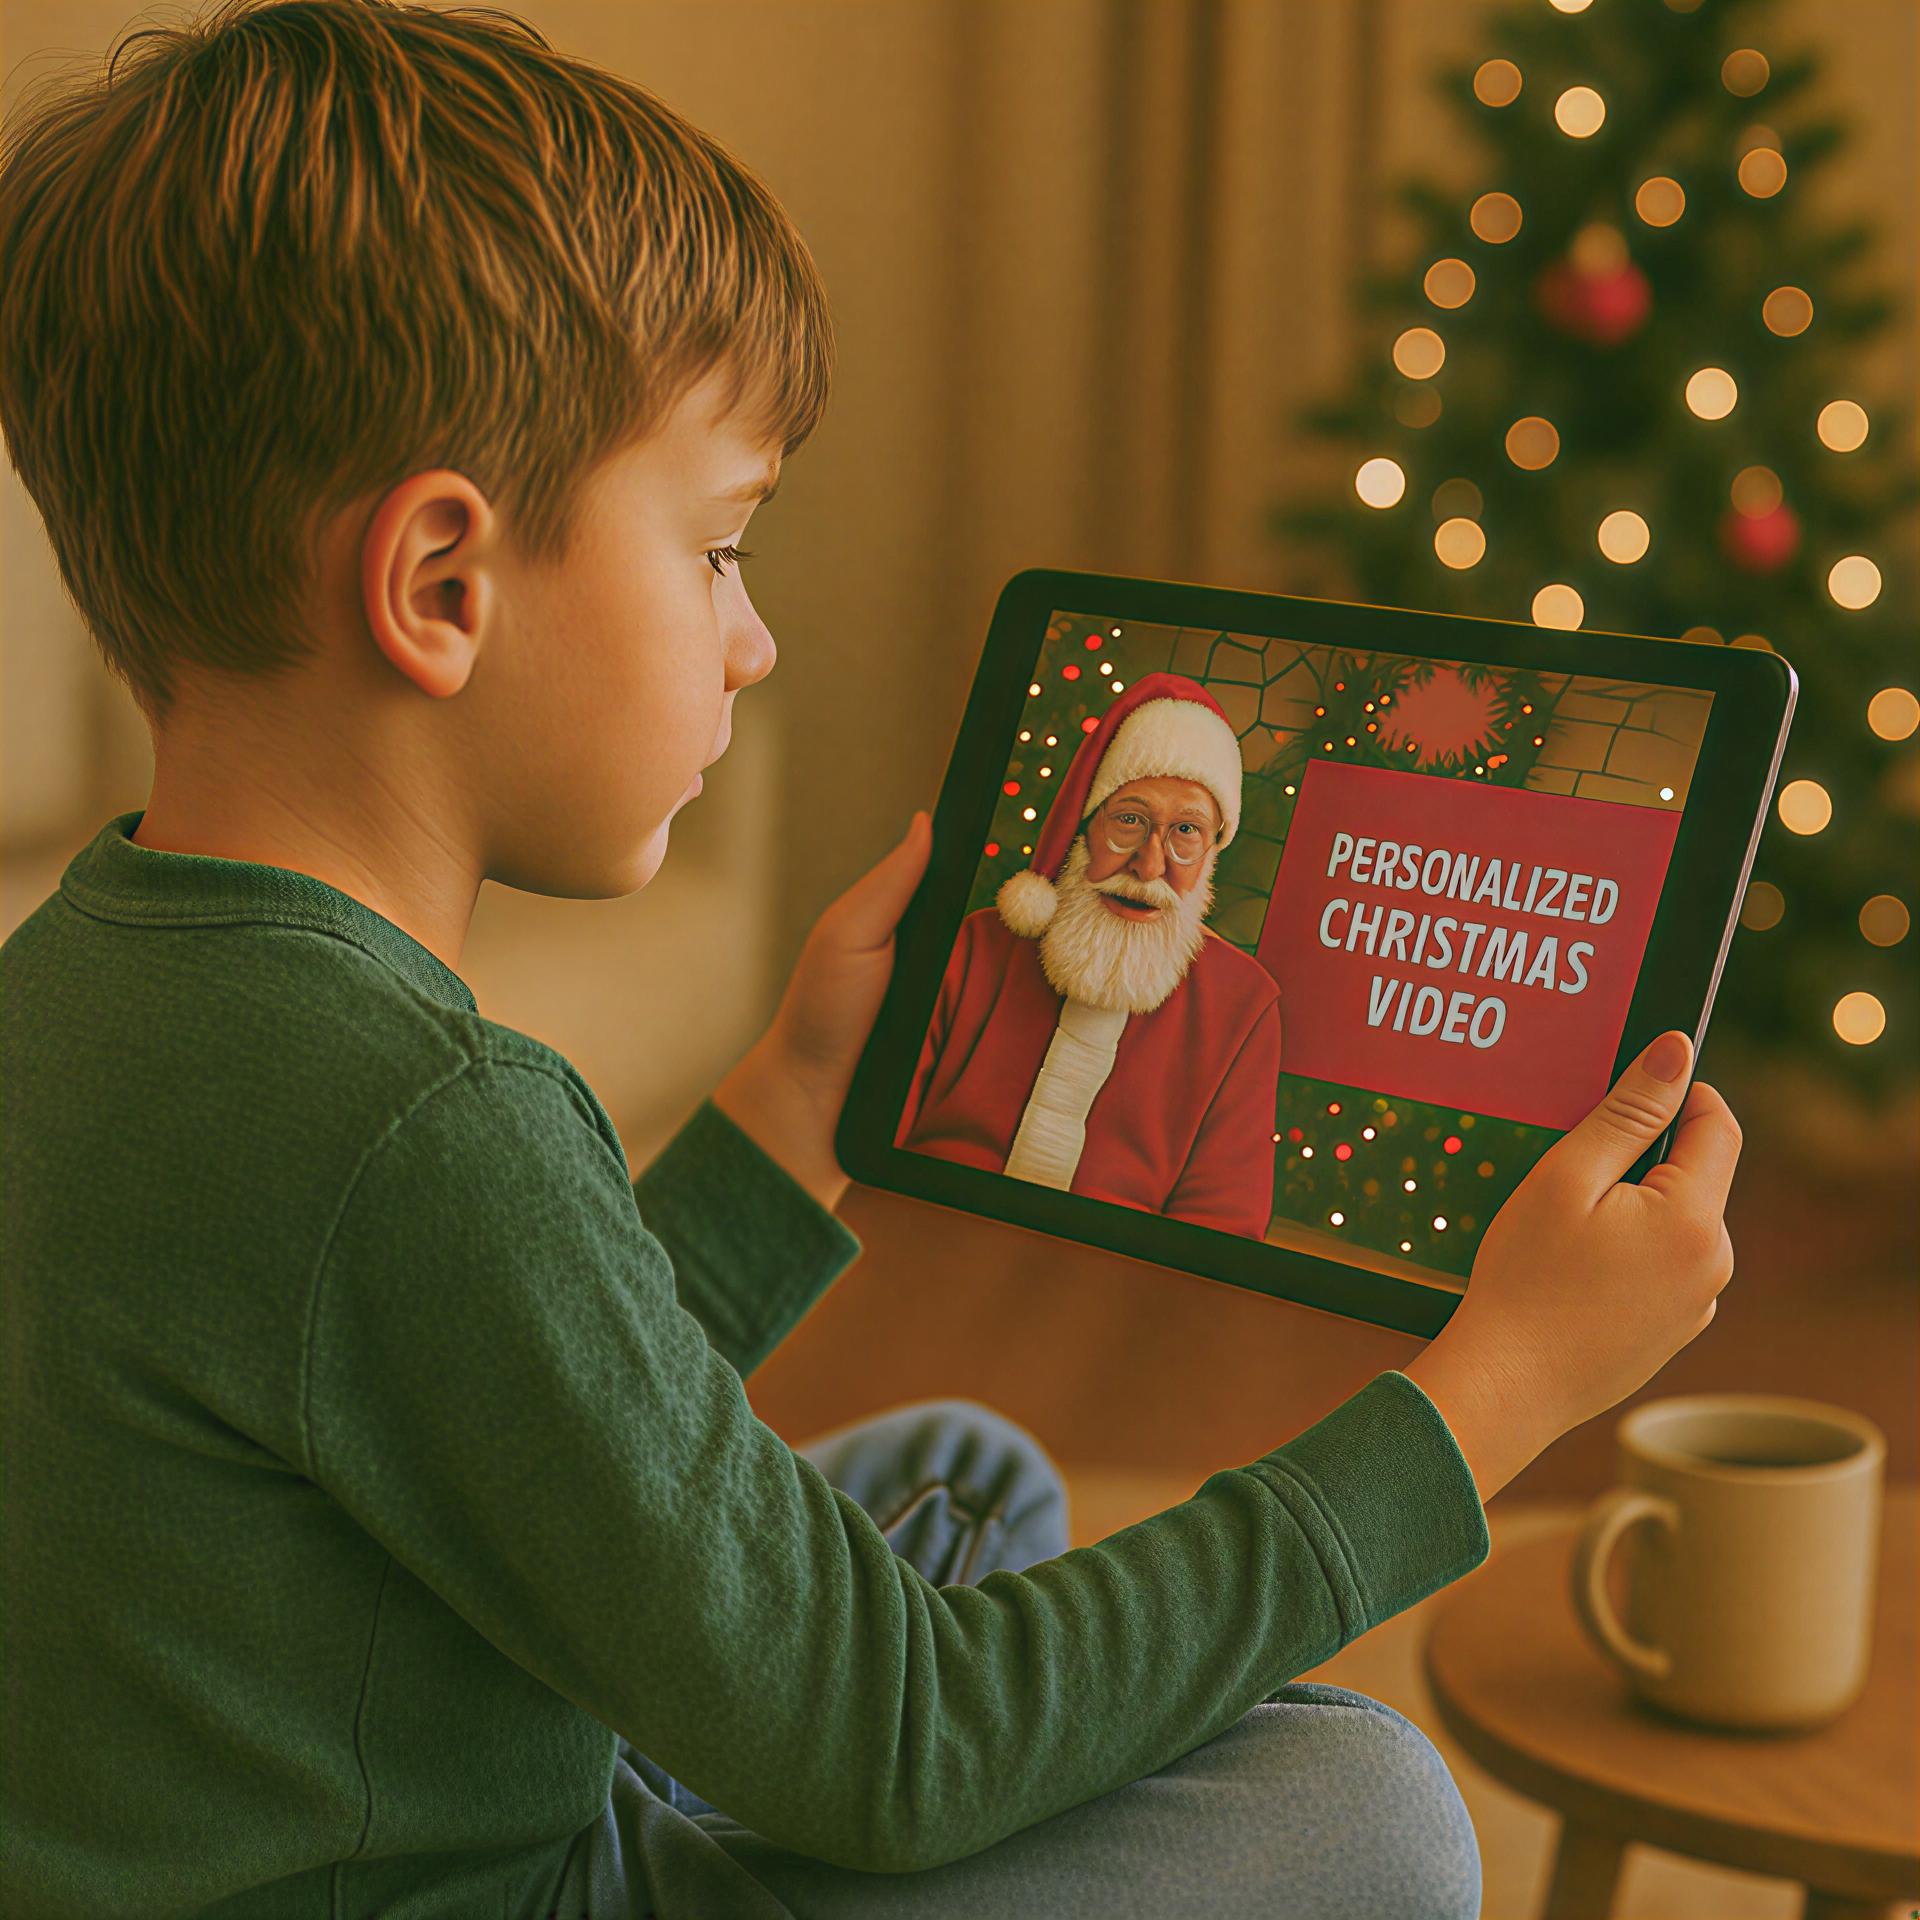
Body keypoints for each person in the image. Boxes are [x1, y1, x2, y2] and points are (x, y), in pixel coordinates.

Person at [0, 4, 1743, 1916]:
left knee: (966, 1475)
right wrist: (1494, 1389)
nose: (751, 644)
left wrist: (791, 1111)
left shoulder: (86, 971)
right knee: (1364, 1811)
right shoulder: (432, 1118)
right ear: (442, 588)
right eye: (720, 548)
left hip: (319, 1788)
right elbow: (894, 1744)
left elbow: (468, 1391)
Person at [896, 673, 1284, 1238]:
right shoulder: (977, 947)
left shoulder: (1242, 1007)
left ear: (1212, 854)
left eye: (1186, 832)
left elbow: (1219, 1237)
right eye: (1129, 820)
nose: (1151, 866)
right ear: (1086, 824)